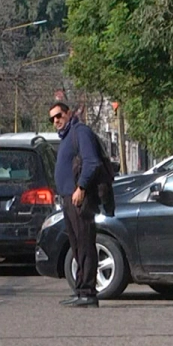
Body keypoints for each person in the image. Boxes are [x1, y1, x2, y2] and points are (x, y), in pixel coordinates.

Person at [50, 102, 103, 308]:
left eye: (59, 115)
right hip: (68, 198)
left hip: (80, 198)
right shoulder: (67, 136)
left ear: (68, 113)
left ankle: (88, 293)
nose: (56, 120)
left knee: (85, 243)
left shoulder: (80, 132)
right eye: (52, 118)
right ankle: (81, 290)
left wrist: (81, 187)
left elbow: (92, 162)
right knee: (76, 245)